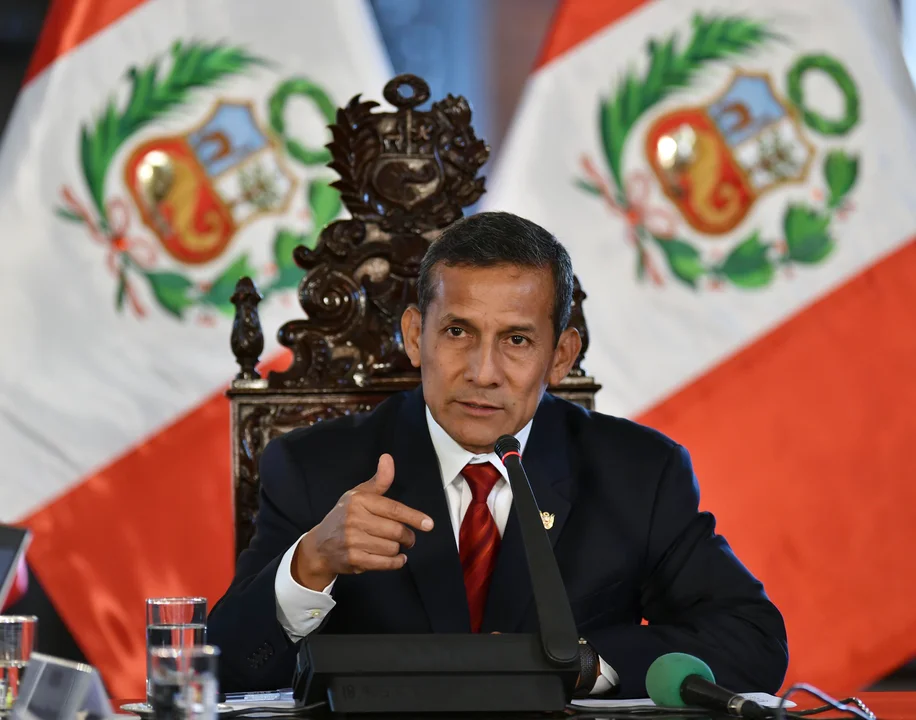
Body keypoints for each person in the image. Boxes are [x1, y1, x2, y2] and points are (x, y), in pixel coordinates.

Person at [207, 211, 788, 697]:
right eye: (457, 332)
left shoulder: (638, 472)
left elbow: (752, 640)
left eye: (516, 340)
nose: (483, 373)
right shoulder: (313, 468)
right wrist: (311, 563)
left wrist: (583, 663)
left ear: (560, 357)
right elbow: (224, 670)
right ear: (415, 336)